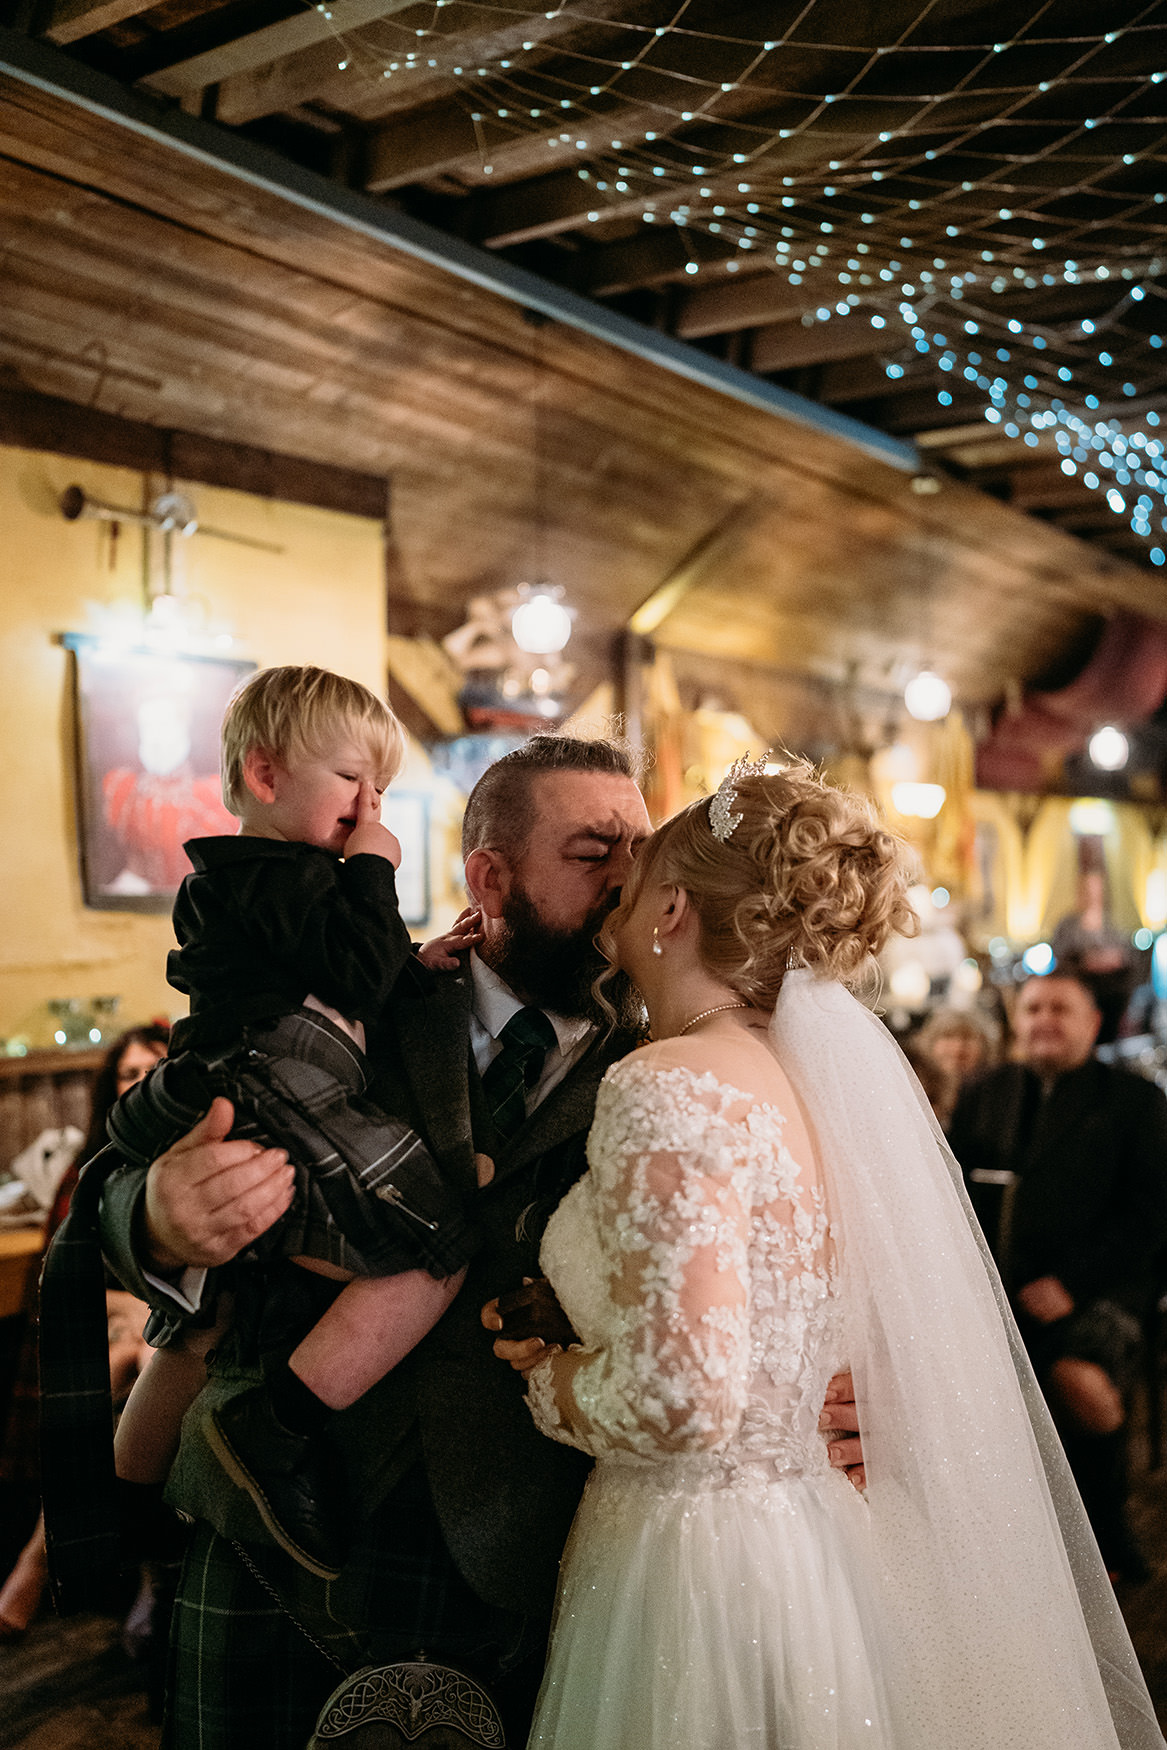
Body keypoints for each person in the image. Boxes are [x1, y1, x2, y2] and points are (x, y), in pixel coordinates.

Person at [82, 735, 865, 1750]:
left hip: (530, 1561)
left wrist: (851, 1393)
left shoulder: (696, 1064)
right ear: (489, 877)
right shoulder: (346, 994)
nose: (630, 873)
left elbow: (819, 1263)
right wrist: (158, 1217)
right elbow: (117, 1170)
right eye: (594, 851)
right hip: (274, 1528)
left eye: (641, 849)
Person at [491, 760, 1163, 1749]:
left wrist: (551, 1380)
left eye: (634, 885)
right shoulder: (816, 1089)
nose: (615, 903)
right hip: (812, 1542)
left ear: (672, 909)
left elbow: (686, 1399)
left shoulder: (666, 1086)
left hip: (695, 1566)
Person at [103, 665, 483, 1582]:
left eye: (383, 790)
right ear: (268, 779)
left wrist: (412, 955)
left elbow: (355, 970)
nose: (370, 806)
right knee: (435, 1238)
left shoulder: (272, 883)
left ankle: (132, 1494)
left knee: (210, 1310)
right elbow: (351, 975)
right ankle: (267, 1436)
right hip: (271, 1078)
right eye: (353, 780)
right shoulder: (275, 876)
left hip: (269, 1083)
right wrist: (377, 869)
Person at [949, 970, 1167, 1580]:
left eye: (1060, 1009)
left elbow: (1150, 1215)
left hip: (1102, 1284)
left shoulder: (1135, 1101)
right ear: (1016, 1022)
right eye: (1033, 1008)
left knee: (1080, 1381)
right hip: (995, 1283)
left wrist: (1070, 1284)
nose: (1044, 1019)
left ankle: (1107, 1539)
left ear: (1093, 1023)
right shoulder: (985, 1090)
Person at [0, 1025, 167, 1640]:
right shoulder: (95, 1161)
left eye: (157, 1068)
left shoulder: (200, 1152)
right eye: (129, 1073)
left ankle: (42, 1559)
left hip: (165, 1329)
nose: (143, 1083)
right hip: (102, 1311)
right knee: (134, 1358)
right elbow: (61, 1273)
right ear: (111, 1088)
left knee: (137, 1362)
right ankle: (112, 1566)